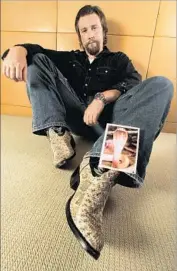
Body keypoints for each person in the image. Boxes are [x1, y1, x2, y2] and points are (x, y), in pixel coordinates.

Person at [1, 5, 174, 260]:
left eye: (94, 28)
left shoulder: (119, 60)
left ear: (103, 31)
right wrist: (16, 50)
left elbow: (134, 86)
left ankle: (98, 170)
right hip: (73, 115)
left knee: (162, 85)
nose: (90, 34)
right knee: (36, 60)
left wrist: (102, 98)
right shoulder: (70, 58)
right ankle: (58, 133)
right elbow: (37, 52)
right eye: (84, 30)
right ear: (79, 36)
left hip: (109, 120)